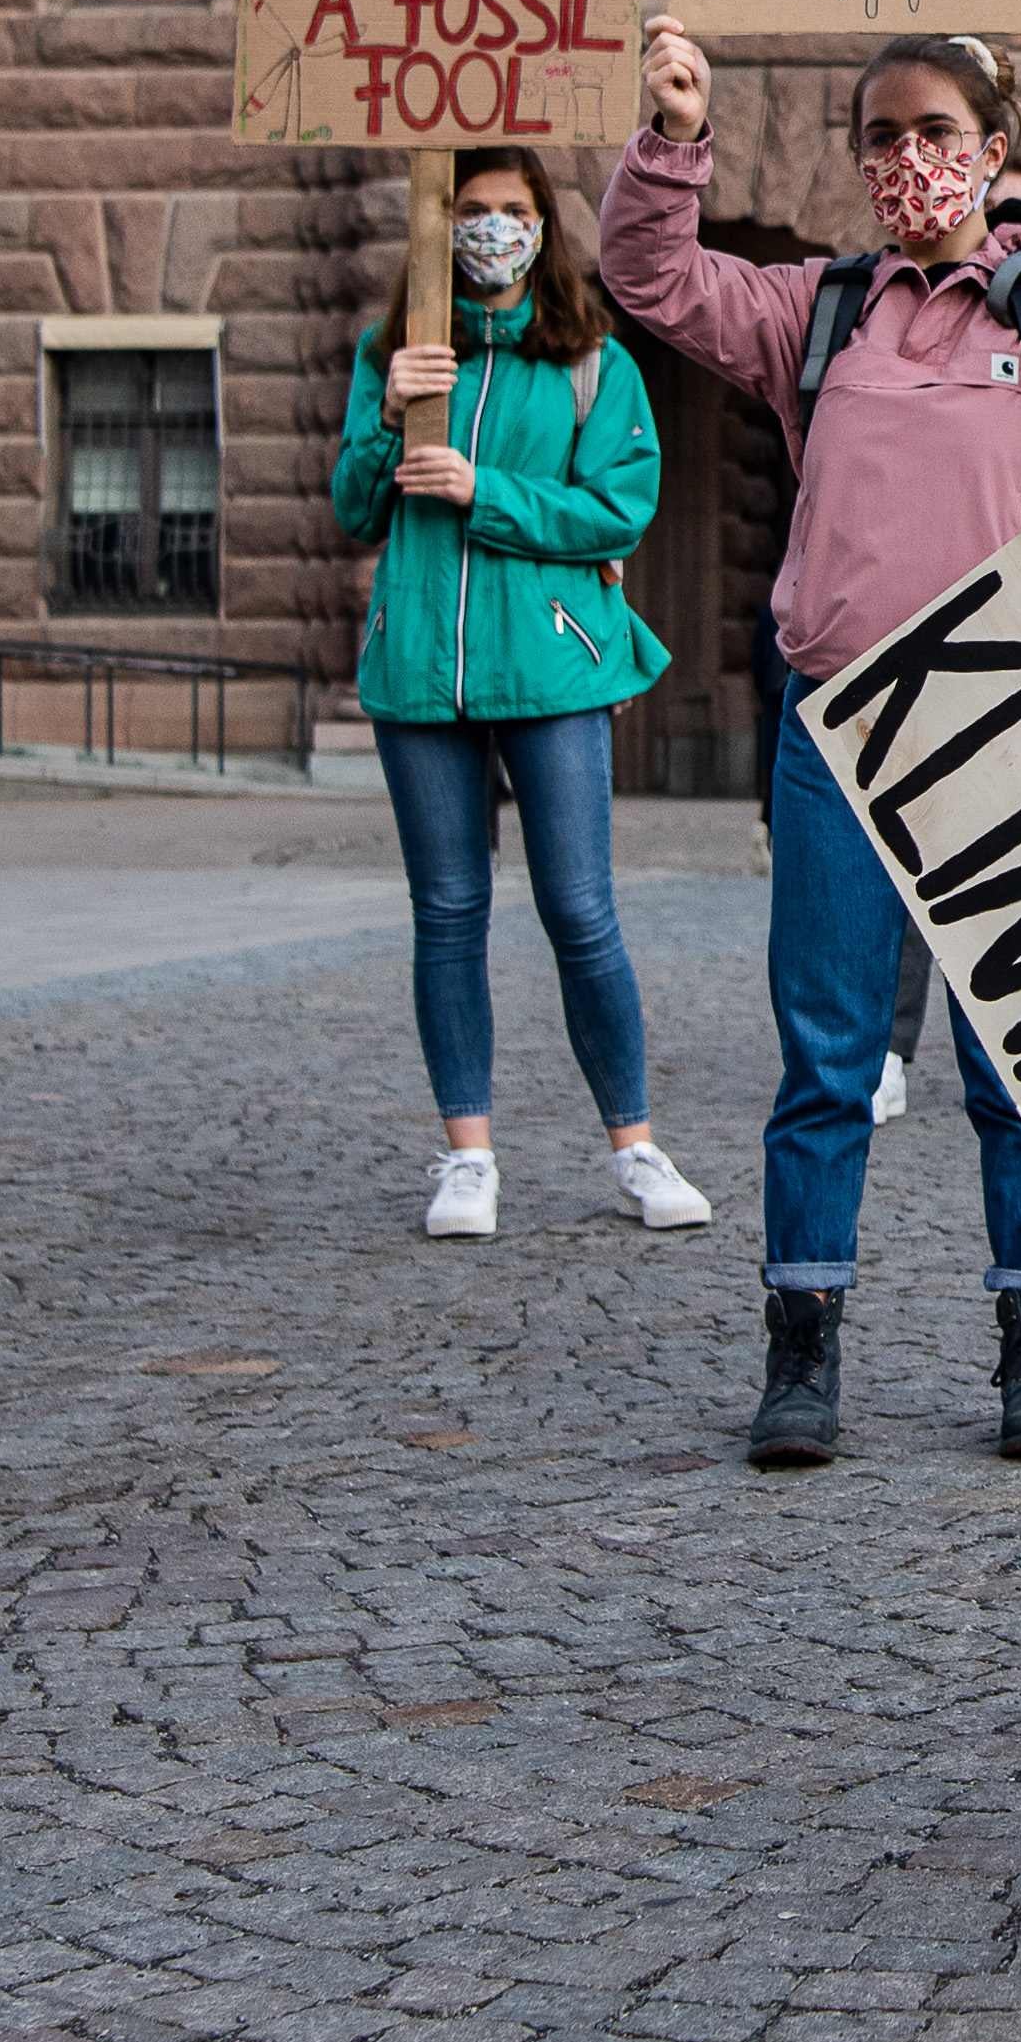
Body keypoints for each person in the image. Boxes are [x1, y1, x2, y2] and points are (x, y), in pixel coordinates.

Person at [606, 8, 1021, 1470]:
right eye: (881, 135)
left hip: (1020, 728)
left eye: (937, 131)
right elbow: (650, 276)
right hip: (845, 728)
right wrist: (677, 134)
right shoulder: (814, 314)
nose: (907, 158)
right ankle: (802, 1353)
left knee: (1019, 1060)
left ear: (993, 150)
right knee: (825, 1057)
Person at [330, 149, 708, 1244]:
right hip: (418, 675)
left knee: (580, 910)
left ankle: (634, 1147)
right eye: (472, 210)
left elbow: (615, 511)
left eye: (512, 210)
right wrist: (387, 417)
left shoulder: (592, 362)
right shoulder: (391, 353)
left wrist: (484, 490)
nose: (492, 228)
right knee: (447, 914)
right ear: (438, 227)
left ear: (546, 227)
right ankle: (467, 1156)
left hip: (550, 667)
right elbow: (357, 508)